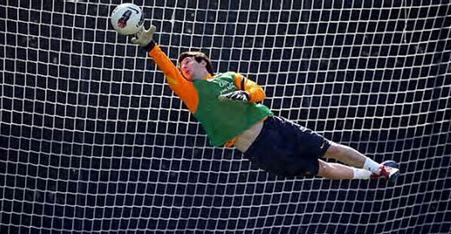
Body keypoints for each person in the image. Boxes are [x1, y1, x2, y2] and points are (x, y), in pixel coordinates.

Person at [130, 25, 400, 183]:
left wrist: (248, 96)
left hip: (275, 125)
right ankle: (369, 177)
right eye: (181, 64)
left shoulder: (229, 77)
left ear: (203, 63)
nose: (182, 65)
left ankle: (379, 168)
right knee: (322, 168)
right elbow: (166, 68)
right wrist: (150, 46)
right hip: (260, 149)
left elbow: (257, 89)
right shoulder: (190, 91)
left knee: (331, 148)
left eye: (187, 61)